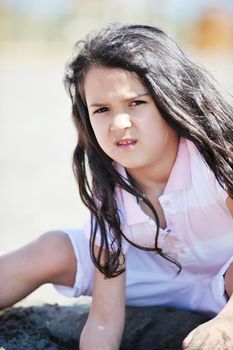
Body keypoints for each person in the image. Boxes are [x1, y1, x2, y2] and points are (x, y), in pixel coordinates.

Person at [0, 23, 233, 350]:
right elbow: (104, 320)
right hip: (146, 279)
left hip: (224, 280)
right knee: (52, 247)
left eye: (136, 103)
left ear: (169, 97)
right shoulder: (109, 184)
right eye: (102, 109)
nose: (119, 123)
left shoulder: (215, 160)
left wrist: (226, 322)